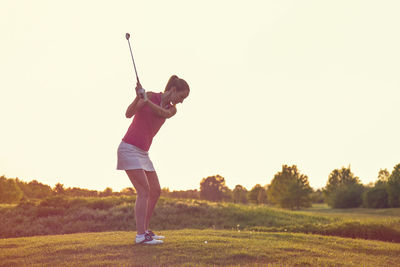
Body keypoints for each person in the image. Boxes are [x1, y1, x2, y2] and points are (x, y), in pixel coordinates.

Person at [117, 75, 190, 245]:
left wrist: (146, 100)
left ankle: (146, 231)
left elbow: (161, 112)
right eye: (181, 96)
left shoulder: (172, 109)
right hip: (128, 148)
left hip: (143, 153)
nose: (181, 101)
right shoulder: (149, 95)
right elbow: (128, 114)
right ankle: (140, 235)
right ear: (173, 90)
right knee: (144, 191)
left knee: (155, 191)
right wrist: (138, 97)